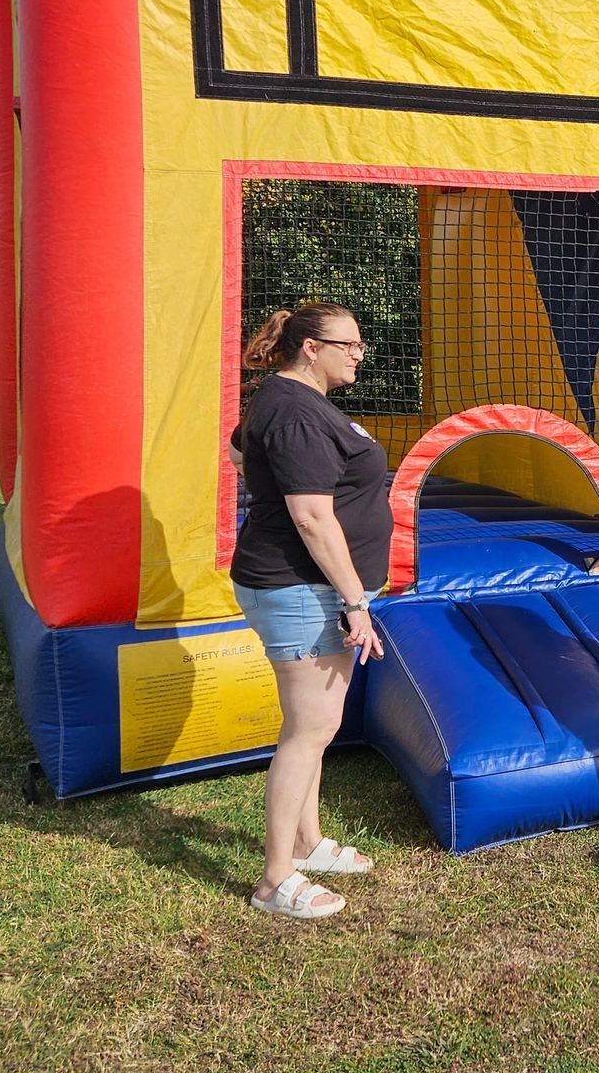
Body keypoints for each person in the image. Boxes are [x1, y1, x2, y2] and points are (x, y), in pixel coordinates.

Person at [227, 301, 389, 920]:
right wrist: (354, 602)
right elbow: (311, 516)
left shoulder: (286, 401)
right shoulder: (295, 412)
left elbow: (241, 451)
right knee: (309, 732)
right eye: (348, 344)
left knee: (313, 727)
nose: (359, 354)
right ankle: (275, 880)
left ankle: (308, 841)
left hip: (302, 585)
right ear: (311, 348)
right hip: (303, 589)